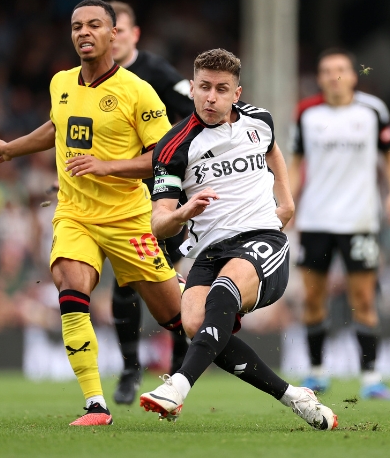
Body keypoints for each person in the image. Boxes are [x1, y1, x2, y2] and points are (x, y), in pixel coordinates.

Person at [0, 0, 185, 427]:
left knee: (180, 318)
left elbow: (164, 156)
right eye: (77, 26)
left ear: (115, 34)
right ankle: (96, 403)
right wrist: (11, 148)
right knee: (70, 285)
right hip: (75, 213)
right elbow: (57, 126)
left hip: (129, 218)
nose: (84, 32)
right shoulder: (60, 82)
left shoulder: (137, 90)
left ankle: (212, 312)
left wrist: (106, 166)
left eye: (94, 25)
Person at [139, 48, 337, 430]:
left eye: (221, 89)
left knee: (223, 293)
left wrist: (287, 199)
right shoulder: (173, 147)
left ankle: (178, 385)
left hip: (262, 240)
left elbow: (273, 151)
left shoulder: (259, 120)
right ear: (192, 88)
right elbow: (158, 222)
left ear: (237, 93)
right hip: (210, 253)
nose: (211, 97)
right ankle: (293, 396)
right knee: (195, 326)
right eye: (204, 87)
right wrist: (181, 213)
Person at [289, 48, 390, 400]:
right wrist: (288, 202)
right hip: (315, 219)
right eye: (326, 70)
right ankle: (316, 373)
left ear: (353, 75)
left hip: (360, 219)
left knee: (363, 298)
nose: (333, 76)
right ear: (319, 77)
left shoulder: (372, 110)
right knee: (312, 296)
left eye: (340, 69)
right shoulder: (306, 113)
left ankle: (371, 378)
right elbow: (295, 162)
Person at [107, 0, 193, 404]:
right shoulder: (93, 79)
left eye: (121, 30)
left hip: (161, 199)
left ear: (133, 34)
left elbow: (197, 111)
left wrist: (175, 165)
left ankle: (178, 375)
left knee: (171, 285)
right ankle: (129, 370)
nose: (114, 37)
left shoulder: (156, 73)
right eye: (109, 31)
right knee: (125, 285)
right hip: (117, 201)